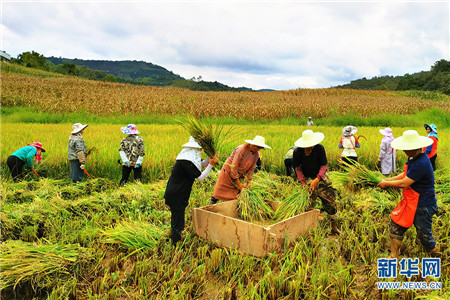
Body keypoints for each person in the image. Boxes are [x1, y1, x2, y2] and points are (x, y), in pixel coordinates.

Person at [378, 130, 438, 258]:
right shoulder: (414, 157)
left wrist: (387, 184)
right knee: (396, 225)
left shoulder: (421, 162)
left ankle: (439, 255)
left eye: (407, 148)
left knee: (425, 237)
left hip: (423, 204)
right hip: (411, 200)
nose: (404, 150)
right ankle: (393, 256)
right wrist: (388, 180)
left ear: (417, 147)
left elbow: (404, 183)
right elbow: (406, 175)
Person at [164, 137, 218, 244]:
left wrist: (210, 157)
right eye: (199, 150)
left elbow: (201, 164)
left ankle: (177, 237)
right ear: (194, 149)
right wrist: (211, 164)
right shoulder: (186, 161)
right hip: (176, 194)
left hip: (177, 192)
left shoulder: (186, 158)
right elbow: (200, 177)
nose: (199, 152)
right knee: (177, 220)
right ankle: (176, 243)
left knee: (178, 217)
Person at [293, 130, 341, 235]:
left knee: (330, 202)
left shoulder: (319, 149)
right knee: (307, 205)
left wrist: (317, 179)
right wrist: (302, 182)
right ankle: (308, 230)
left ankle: (334, 228)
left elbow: (324, 165)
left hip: (321, 177)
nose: (308, 149)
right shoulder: (297, 151)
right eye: (306, 146)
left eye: (310, 146)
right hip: (306, 178)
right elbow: (297, 168)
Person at [209, 135, 271, 205]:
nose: (258, 149)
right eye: (257, 147)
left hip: (239, 174)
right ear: (252, 144)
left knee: (234, 195)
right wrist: (238, 183)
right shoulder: (241, 149)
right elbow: (234, 166)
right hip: (228, 171)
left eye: (260, 148)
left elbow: (252, 168)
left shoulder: (256, 154)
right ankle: (209, 208)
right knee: (218, 192)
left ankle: (227, 208)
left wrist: (249, 181)